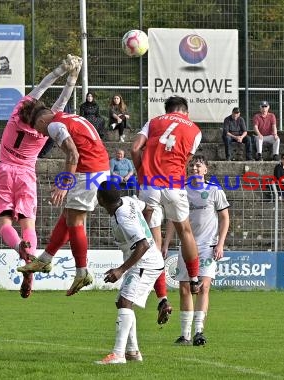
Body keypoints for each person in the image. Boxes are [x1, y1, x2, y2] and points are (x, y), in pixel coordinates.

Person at [0, 54, 82, 298]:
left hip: (3, 171)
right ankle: (29, 254)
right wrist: (73, 78)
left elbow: (40, 88)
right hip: (26, 175)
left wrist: (60, 70)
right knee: (27, 224)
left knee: (4, 223)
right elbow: (60, 107)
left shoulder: (15, 117)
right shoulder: (44, 131)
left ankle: (18, 247)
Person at [17, 93, 111, 296]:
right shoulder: (68, 117)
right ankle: (44, 260)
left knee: (75, 221)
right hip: (99, 168)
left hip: (88, 171)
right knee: (69, 217)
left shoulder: (53, 125)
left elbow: (73, 153)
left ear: (42, 120)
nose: (41, 135)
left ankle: (82, 272)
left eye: (38, 129)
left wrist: (64, 183)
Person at [130, 95, 203, 295]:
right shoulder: (195, 130)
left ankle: (160, 294)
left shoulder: (153, 122)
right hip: (174, 184)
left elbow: (135, 148)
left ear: (167, 111)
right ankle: (195, 279)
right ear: (185, 112)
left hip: (149, 184)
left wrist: (141, 173)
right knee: (185, 231)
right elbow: (185, 161)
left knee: (152, 238)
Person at [94, 181, 164, 365]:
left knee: (125, 301)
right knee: (122, 302)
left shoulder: (123, 217)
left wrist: (120, 270)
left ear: (101, 200)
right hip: (144, 261)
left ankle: (118, 354)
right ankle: (132, 352)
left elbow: (143, 244)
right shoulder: (128, 201)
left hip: (146, 262)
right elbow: (148, 208)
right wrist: (144, 229)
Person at [162, 155, 230, 346]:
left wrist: (221, 244)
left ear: (206, 170)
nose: (194, 169)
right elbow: (173, 221)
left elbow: (225, 217)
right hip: (186, 246)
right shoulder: (181, 190)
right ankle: (185, 334)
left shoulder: (215, 190)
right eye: (192, 166)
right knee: (184, 288)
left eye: (198, 166)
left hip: (208, 246)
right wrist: (166, 243)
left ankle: (199, 331)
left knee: (204, 287)